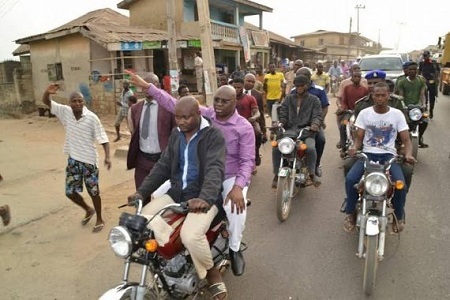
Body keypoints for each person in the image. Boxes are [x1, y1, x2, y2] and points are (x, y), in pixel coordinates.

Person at [126, 70, 255, 277]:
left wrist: (239, 186)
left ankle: (234, 248)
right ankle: (170, 247)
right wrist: (147, 86)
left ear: (235, 102)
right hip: (198, 175)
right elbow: (172, 103)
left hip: (229, 175)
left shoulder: (244, 127)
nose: (218, 105)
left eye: (224, 101)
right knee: (157, 196)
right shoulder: (206, 115)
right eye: (216, 101)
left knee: (235, 209)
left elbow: (247, 161)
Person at [127, 96, 228, 300]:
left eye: (186, 118)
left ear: (198, 114)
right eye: (177, 118)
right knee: (143, 221)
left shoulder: (213, 136)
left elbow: (214, 170)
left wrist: (205, 198)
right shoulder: (176, 134)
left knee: (190, 235)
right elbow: (163, 166)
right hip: (177, 193)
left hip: (203, 197)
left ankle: (211, 273)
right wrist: (142, 192)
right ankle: (168, 262)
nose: (181, 122)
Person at [343, 81, 416, 234]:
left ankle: (398, 215)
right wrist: (354, 148)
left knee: (400, 183)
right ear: (372, 96)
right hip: (367, 154)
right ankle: (350, 212)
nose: (380, 98)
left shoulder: (397, 114)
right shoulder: (364, 113)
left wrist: (408, 154)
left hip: (389, 156)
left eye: (383, 95)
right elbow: (359, 137)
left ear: (389, 96)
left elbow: (407, 140)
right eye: (377, 95)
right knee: (351, 179)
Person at [42, 83, 111, 233]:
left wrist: (107, 157)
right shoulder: (65, 112)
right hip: (73, 160)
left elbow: (103, 139)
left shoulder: (92, 118)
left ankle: (99, 217)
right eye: (74, 101)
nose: (77, 103)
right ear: (70, 103)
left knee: (94, 192)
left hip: (89, 162)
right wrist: (47, 93)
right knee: (70, 192)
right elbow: (47, 102)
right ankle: (88, 209)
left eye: (80, 100)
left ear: (84, 102)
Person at [273, 75, 323, 188]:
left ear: (307, 85)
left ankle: (311, 174)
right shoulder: (288, 98)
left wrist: (314, 125)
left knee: (310, 148)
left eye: (302, 85)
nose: (299, 87)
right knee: (276, 147)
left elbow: (317, 115)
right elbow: (283, 114)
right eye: (297, 85)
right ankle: (276, 174)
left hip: (306, 132)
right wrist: (280, 123)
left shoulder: (314, 100)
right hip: (289, 131)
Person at [127, 73, 175, 190]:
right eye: (143, 84)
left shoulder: (168, 108)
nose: (146, 88)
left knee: (163, 196)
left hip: (162, 161)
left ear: (157, 86)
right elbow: (134, 132)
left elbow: (175, 133)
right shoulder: (135, 109)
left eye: (150, 84)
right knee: (141, 196)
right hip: (142, 161)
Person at [295, 67, 330, 177]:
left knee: (321, 140)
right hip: (297, 125)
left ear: (309, 78)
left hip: (314, 124)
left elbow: (324, 107)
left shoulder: (319, 90)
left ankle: (315, 165)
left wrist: (318, 122)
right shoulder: (294, 90)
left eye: (303, 78)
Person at [396, 61, 429, 148]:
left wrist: (424, 104)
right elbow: (401, 96)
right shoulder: (401, 82)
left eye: (414, 69)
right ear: (407, 70)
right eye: (410, 69)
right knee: (402, 123)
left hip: (417, 108)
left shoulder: (421, 81)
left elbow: (422, 95)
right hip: (406, 107)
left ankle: (419, 138)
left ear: (417, 70)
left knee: (425, 121)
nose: (412, 71)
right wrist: (403, 106)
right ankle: (399, 140)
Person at [337, 70, 369, 154]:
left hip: (360, 114)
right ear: (351, 78)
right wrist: (343, 108)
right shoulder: (347, 88)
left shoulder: (365, 90)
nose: (357, 78)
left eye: (359, 77)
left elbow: (366, 102)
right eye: (355, 76)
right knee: (343, 125)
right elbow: (343, 101)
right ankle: (343, 147)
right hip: (349, 113)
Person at [244, 73, 267, 167]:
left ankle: (256, 154)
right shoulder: (236, 92)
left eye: (253, 82)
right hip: (239, 122)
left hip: (253, 122)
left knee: (257, 135)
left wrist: (264, 130)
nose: (250, 83)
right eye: (248, 81)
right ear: (243, 80)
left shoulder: (257, 95)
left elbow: (261, 112)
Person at [419, 50, 440, 119]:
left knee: (432, 98)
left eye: (426, 56)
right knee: (424, 98)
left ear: (429, 55)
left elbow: (438, 71)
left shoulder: (434, 63)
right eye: (424, 56)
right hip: (424, 82)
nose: (425, 57)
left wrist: (436, 79)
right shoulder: (421, 63)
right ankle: (425, 110)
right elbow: (419, 72)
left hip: (432, 83)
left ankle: (431, 110)